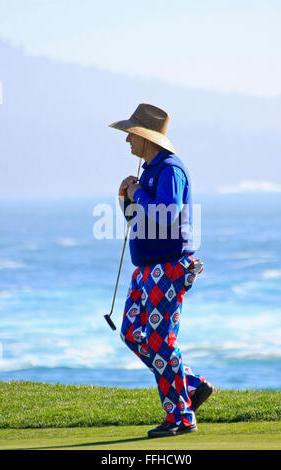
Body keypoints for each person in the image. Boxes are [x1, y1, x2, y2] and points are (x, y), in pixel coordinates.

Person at [109, 103, 214, 438]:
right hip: (147, 270)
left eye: (131, 134)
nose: (127, 141)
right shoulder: (149, 171)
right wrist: (126, 196)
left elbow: (167, 214)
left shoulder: (170, 169)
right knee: (132, 332)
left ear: (145, 138)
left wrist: (137, 191)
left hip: (167, 268)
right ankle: (191, 385)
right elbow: (137, 219)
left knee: (159, 340)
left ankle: (181, 417)